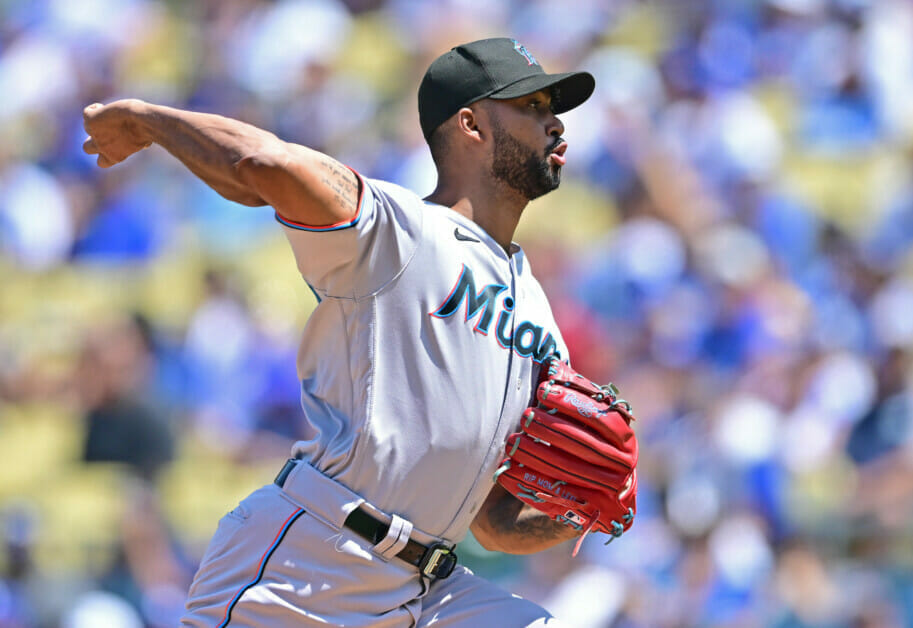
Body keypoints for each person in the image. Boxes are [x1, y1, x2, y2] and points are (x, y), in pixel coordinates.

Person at [83, 37, 599, 627]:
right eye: (532, 106)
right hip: (313, 564)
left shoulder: (537, 309)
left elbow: (494, 523)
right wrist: (147, 120)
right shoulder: (401, 230)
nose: (556, 124)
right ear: (471, 124)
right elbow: (266, 163)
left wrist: (583, 509)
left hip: (429, 586)